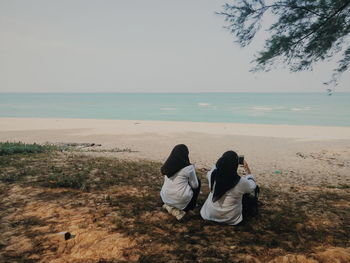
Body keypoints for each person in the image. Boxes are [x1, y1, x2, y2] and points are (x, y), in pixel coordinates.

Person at [200, 151, 257, 225]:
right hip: (230, 218)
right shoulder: (240, 182)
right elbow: (253, 185)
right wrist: (246, 167)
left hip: (209, 214)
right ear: (235, 165)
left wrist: (223, 160)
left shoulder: (212, 175)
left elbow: (215, 167)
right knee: (249, 192)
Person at [160, 144, 201, 220]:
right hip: (180, 200)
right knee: (198, 181)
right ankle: (190, 206)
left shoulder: (167, 165)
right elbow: (195, 186)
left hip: (165, 197)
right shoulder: (188, 168)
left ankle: (169, 206)